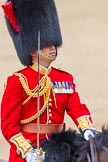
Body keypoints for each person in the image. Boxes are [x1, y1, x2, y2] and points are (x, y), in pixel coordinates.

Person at [1, 0, 97, 162]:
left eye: (54, 43)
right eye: (47, 44)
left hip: (60, 145)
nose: (53, 47)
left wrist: (87, 128)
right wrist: (27, 151)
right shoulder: (17, 81)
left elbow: (77, 108)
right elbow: (8, 126)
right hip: (30, 148)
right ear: (33, 49)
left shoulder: (64, 78)